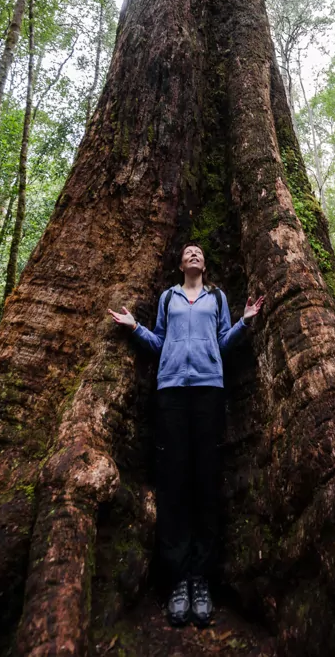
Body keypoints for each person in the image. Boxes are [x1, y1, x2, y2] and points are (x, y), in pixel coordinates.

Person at [108, 242, 263, 627]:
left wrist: (244, 323)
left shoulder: (216, 297)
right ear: (180, 263)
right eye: (187, 251)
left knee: (205, 480)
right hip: (172, 391)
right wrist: (135, 328)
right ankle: (178, 578)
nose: (193, 254)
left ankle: (201, 578)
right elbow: (160, 343)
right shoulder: (168, 297)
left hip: (209, 390)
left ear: (204, 263)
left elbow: (223, 343)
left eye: (199, 251)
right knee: (174, 481)